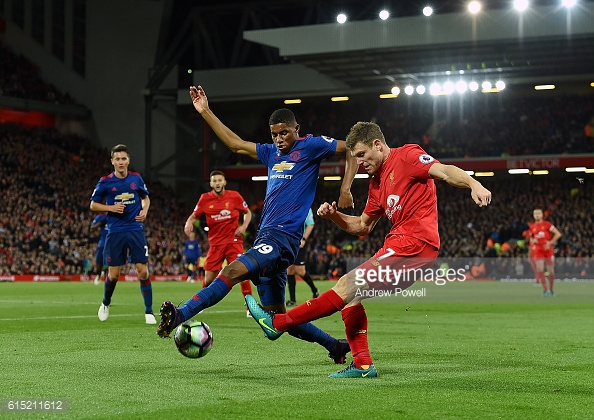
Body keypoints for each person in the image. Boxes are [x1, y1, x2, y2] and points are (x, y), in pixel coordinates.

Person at [246, 121, 492, 378]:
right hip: (402, 248)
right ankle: (363, 364)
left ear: (377, 144)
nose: (359, 162)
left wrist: (473, 183)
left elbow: (444, 171)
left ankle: (278, 323)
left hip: (413, 245)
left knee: (345, 284)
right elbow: (362, 226)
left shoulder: (407, 156)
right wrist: (335, 217)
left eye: (362, 155)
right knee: (352, 296)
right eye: (355, 157)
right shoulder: (376, 184)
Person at [157, 85, 358, 365]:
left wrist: (345, 189)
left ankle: (181, 314)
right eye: (274, 134)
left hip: (282, 238)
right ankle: (334, 346)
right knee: (279, 318)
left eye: (284, 133)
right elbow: (236, 144)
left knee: (232, 270)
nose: (278, 139)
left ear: (296, 128)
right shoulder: (270, 154)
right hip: (268, 238)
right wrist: (205, 111)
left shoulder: (310, 146)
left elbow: (349, 148)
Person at [90, 144, 156, 324]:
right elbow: (93, 205)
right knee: (113, 275)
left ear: (128, 160)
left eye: (123, 159)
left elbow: (146, 197)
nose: (121, 162)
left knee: (142, 271)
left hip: (135, 229)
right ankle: (105, 303)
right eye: (117, 159)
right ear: (112, 161)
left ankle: (149, 311)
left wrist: (145, 211)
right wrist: (111, 208)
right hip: (115, 231)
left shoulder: (136, 178)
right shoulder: (105, 181)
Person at [184, 170, 253, 315]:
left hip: (234, 242)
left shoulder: (234, 196)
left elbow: (247, 212)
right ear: (210, 183)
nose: (217, 183)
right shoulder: (204, 199)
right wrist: (188, 223)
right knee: (209, 279)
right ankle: (200, 303)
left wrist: (244, 226)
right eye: (214, 181)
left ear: (224, 182)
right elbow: (193, 216)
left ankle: (250, 308)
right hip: (215, 244)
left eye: (219, 180)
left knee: (242, 273)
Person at [286, 208, 318, 306]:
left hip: (299, 241)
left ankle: (315, 290)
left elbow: (310, 224)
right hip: (289, 241)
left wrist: (303, 238)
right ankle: (292, 300)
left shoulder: (306, 206)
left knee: (300, 271)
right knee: (290, 270)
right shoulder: (289, 205)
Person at [528, 208, 562, 296]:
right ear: (533, 215)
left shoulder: (547, 225)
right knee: (540, 269)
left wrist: (550, 242)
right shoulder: (532, 227)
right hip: (538, 251)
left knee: (551, 271)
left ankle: (551, 289)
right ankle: (545, 290)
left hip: (548, 250)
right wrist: (533, 241)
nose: (537, 215)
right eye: (535, 213)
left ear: (542, 215)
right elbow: (531, 238)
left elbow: (558, 234)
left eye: (538, 213)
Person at [90, 212, 109, 286]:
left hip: (113, 240)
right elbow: (92, 229)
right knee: (98, 261)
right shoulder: (99, 217)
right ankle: (99, 274)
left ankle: (107, 276)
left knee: (111, 261)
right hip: (103, 241)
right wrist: (101, 223)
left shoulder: (115, 215)